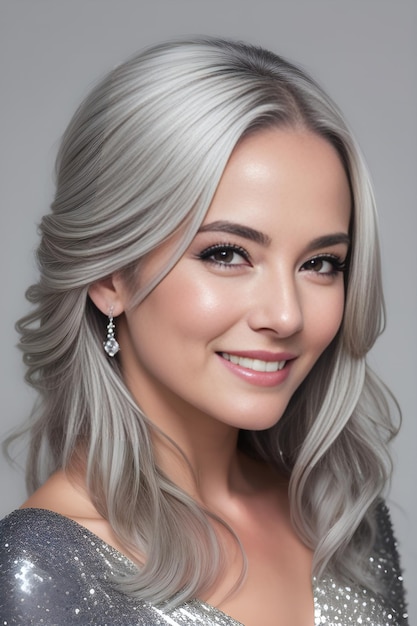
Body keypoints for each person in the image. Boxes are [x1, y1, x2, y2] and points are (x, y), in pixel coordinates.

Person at [0, 36, 408, 626]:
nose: (286, 315)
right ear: (110, 274)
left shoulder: (344, 522)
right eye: (226, 254)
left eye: (321, 264)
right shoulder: (37, 575)